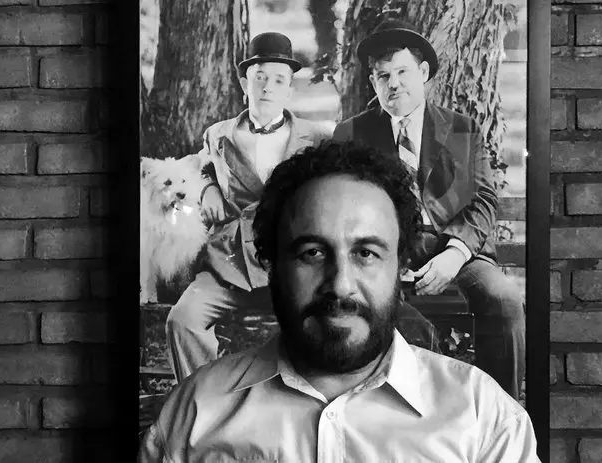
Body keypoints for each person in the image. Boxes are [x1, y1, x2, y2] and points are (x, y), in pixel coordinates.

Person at [139, 141, 540, 462]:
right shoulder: (195, 413)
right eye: (312, 252)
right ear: (271, 265)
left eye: (366, 253)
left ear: (400, 265)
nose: (340, 285)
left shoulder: (484, 420)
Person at [165, 31, 440, 382]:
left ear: (289, 90)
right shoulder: (218, 134)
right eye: (259, 77)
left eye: (279, 80)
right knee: (182, 320)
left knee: (329, 322)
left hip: (293, 261)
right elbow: (197, 168)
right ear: (244, 83)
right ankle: (205, 396)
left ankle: (316, 398)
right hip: (231, 262)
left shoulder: (318, 136)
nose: (268, 87)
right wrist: (207, 190)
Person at [333, 18, 526, 400]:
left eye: (402, 72)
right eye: (383, 76)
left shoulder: (462, 129)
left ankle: (499, 411)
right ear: (373, 82)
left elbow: (484, 199)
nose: (394, 84)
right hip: (387, 255)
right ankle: (408, 412)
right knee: (378, 310)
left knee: (503, 300)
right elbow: (345, 205)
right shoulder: (352, 134)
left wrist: (455, 254)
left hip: (457, 251)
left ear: (423, 73)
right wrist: (381, 253)